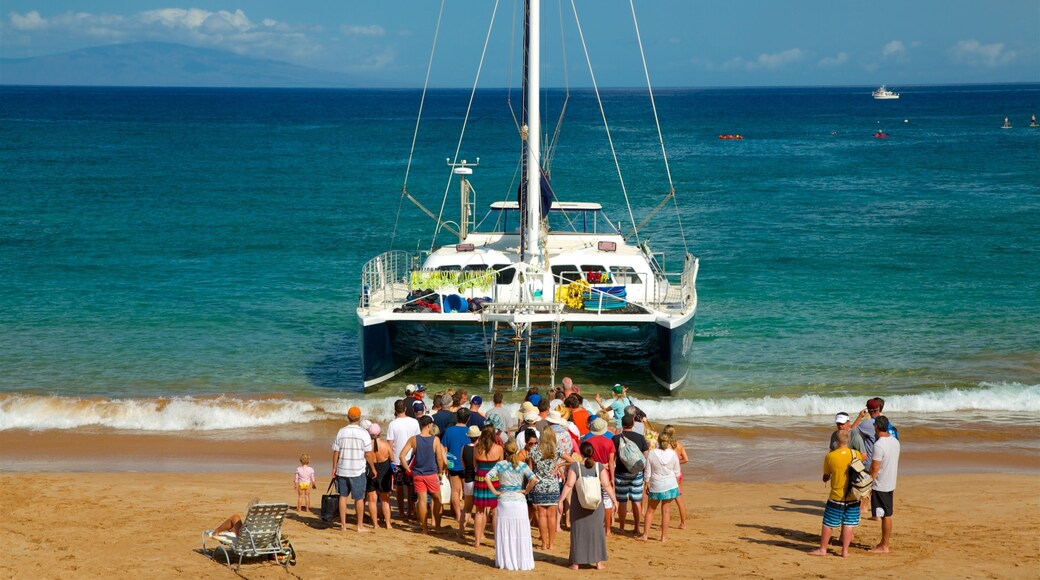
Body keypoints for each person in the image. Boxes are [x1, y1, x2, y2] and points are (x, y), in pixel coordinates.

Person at [558, 441, 616, 570]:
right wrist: (614, 500)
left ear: (581, 452)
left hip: (579, 504)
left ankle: (576, 563)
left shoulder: (575, 466)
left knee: (578, 532)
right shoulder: (599, 466)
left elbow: (569, 484)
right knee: (597, 532)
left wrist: (561, 500)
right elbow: (606, 485)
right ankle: (598, 563)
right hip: (596, 504)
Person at [485, 441, 539, 570]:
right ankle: (522, 561)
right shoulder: (522, 465)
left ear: (505, 451)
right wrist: (526, 491)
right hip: (519, 501)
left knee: (505, 532)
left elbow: (487, 477)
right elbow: (534, 479)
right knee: (520, 531)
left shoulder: (500, 465)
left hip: (504, 501)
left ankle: (506, 561)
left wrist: (495, 492)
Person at [808, 430, 862, 557]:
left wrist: (826, 478)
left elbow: (826, 475)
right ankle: (845, 551)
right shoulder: (856, 454)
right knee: (849, 523)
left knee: (828, 523)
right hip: (853, 495)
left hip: (837, 495)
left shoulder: (831, 456)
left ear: (837, 441)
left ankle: (823, 549)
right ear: (849, 441)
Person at [399, 415, 447, 535]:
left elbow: (401, 456)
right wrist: (440, 471)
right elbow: (440, 458)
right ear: (430, 425)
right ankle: (437, 525)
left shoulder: (413, 439)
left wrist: (408, 470)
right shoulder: (435, 440)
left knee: (422, 500)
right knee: (437, 499)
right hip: (431, 473)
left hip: (418, 474)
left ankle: (424, 528)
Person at [332, 406, 372, 533]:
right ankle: (359, 525)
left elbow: (336, 452)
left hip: (343, 468)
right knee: (359, 498)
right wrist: (373, 468)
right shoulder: (363, 433)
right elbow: (368, 453)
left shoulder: (341, 432)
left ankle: (343, 525)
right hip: (357, 470)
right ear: (359, 418)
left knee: (342, 497)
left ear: (348, 417)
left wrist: (334, 467)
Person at [529, 426, 565, 550]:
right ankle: (551, 544)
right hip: (553, 485)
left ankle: (544, 544)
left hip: (539, 485)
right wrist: (559, 465)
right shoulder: (557, 449)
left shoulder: (534, 450)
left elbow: (530, 470)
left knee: (542, 516)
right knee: (552, 516)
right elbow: (573, 460)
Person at [640, 433, 681, 543]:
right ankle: (664, 537)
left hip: (656, 484)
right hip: (670, 485)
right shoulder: (673, 454)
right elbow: (677, 472)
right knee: (666, 511)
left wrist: (646, 484)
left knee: (650, 511)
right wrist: (676, 484)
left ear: (657, 441)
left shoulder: (652, 453)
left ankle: (645, 535)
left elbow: (647, 472)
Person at [612, 414, 649, 534]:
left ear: (621, 425)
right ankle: (637, 528)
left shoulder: (616, 439)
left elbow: (612, 458)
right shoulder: (640, 438)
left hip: (620, 473)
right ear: (633, 423)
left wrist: (612, 475)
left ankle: (622, 527)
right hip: (637, 474)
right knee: (636, 501)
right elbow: (646, 457)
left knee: (622, 501)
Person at [869, 415, 901, 553]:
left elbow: (875, 467)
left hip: (881, 483)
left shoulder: (879, 445)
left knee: (885, 515)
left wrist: (869, 484)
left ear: (876, 426)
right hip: (890, 481)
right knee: (885, 514)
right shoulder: (895, 441)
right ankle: (883, 543)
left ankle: (884, 545)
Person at [386, 399, 421, 521]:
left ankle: (401, 512)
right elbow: (418, 440)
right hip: (411, 459)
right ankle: (411, 510)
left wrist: (388, 460)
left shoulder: (392, 424)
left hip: (397, 459)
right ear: (405, 409)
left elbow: (389, 444)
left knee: (399, 486)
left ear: (395, 411)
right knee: (411, 486)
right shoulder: (414, 422)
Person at [473, 424, 505, 547]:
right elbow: (501, 467)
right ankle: (496, 541)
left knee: (479, 511)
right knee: (495, 511)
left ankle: (477, 541)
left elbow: (474, 465)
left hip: (480, 477)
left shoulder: (477, 448)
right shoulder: (498, 448)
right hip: (494, 478)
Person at [442, 408, 473, 533]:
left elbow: (444, 449)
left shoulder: (449, 431)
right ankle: (467, 514)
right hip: (467, 464)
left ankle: (458, 515)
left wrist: (444, 465)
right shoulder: (469, 431)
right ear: (468, 418)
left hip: (453, 463)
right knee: (467, 491)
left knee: (455, 490)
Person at [585, 418, 616, 536]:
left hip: (591, 474)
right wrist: (612, 478)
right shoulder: (609, 442)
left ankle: (593, 527)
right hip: (605, 475)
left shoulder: (587, 441)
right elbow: (611, 462)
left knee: (592, 501)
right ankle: (607, 529)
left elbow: (585, 459)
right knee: (607, 502)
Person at [364, 422, 393, 530]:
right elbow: (392, 457)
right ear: (380, 433)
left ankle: (375, 524)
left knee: (372, 499)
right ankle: (388, 524)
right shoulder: (385, 445)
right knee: (385, 500)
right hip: (384, 471)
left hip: (371, 471)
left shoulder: (366, 445)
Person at [661, 425, 688, 529]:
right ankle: (683, 523)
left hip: (668, 475)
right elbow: (686, 459)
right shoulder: (679, 445)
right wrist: (677, 462)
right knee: (679, 499)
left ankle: (663, 525)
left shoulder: (664, 446)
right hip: (678, 474)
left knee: (665, 500)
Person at [460, 424, 481, 538]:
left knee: (467, 507)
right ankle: (479, 533)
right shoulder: (479, 448)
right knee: (479, 509)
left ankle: (461, 530)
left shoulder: (464, 447)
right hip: (478, 479)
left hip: (467, 479)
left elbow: (463, 463)